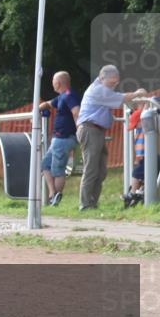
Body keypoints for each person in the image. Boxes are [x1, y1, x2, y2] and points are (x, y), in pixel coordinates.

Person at [75, 65, 146, 211]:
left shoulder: (103, 90)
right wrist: (137, 93)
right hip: (90, 130)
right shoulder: (99, 90)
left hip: (96, 131)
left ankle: (92, 203)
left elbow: (121, 100)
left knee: (101, 171)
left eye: (116, 83)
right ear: (102, 79)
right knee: (91, 169)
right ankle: (85, 204)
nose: (114, 85)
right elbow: (122, 98)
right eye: (112, 82)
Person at [38, 71, 81, 206]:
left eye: (53, 81)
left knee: (57, 170)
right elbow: (49, 104)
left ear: (58, 83)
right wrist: (39, 108)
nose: (52, 84)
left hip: (64, 138)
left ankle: (55, 199)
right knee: (45, 165)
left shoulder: (69, 96)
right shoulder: (61, 97)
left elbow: (76, 112)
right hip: (58, 139)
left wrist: (79, 131)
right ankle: (53, 193)